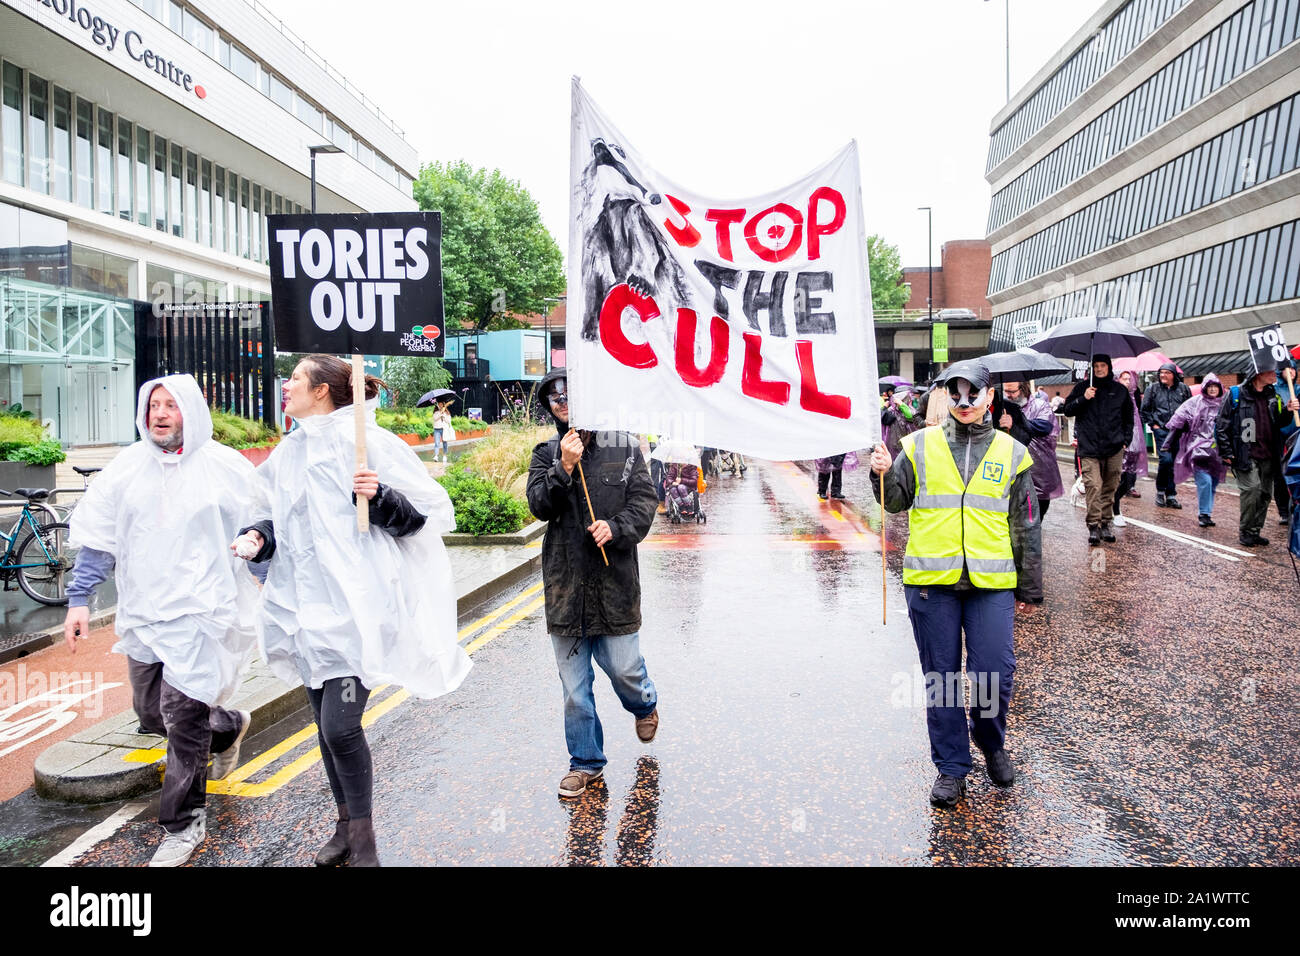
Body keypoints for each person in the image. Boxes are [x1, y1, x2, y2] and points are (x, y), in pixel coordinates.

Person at [232, 354, 471, 866]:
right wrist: (258, 537)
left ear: (321, 391)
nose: (287, 385)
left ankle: (363, 839)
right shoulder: (288, 452)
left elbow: (426, 516)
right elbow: (277, 520)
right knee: (324, 727)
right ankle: (343, 825)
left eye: (295, 377)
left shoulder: (369, 442)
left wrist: (381, 496)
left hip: (357, 611)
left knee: (341, 726)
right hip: (303, 612)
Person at [64, 375, 259, 867]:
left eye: (171, 405)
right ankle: (229, 726)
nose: (160, 413)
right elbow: (99, 537)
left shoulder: (225, 468)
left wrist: (267, 570)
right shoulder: (126, 469)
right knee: (152, 714)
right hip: (145, 612)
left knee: (182, 718)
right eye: (153, 404)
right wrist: (79, 599)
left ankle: (182, 823)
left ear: (190, 411)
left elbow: (262, 526)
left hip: (203, 614)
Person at [870, 359, 1041, 808]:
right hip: (931, 583)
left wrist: (1030, 586)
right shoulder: (918, 444)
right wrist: (882, 471)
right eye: (955, 394)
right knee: (941, 681)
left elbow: (1026, 523)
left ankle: (990, 741)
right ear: (946, 396)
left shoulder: (1012, 451)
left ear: (988, 397)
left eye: (973, 394)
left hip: (991, 583)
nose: (964, 403)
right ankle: (950, 767)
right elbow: (895, 502)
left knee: (995, 675)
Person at [526, 369, 660, 799]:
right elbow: (539, 506)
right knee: (574, 689)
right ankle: (586, 763)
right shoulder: (545, 453)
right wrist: (564, 466)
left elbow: (645, 501)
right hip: (565, 589)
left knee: (624, 670)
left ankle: (644, 704)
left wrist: (617, 528)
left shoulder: (623, 445)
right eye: (554, 397)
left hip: (615, 584)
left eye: (569, 392)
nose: (562, 401)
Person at [1216, 361, 1300, 546]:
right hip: (1245, 453)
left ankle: (1255, 531)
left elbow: (1279, 422)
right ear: (1258, 373)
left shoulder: (1273, 395)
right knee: (1252, 490)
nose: (1275, 373)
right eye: (1270, 370)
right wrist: (1226, 452)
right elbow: (1222, 425)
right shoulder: (1236, 394)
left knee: (1264, 494)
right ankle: (1245, 530)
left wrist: (1288, 410)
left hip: (1269, 453)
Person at [1061, 354, 1133, 545]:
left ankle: (1106, 522)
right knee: (1093, 485)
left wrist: (1126, 440)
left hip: (1114, 447)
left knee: (1110, 486)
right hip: (1089, 447)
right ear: (1091, 369)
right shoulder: (1082, 388)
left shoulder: (1120, 391)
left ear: (1109, 367)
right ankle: (1094, 525)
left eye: (1103, 366)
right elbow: (1067, 409)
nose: (1099, 369)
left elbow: (1128, 418)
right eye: (1096, 366)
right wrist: (1083, 399)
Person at [1162, 374, 1228, 528]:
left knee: (1213, 482)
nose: (1212, 389)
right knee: (1204, 481)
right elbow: (1178, 421)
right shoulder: (1195, 403)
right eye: (1209, 386)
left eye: (1215, 386)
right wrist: (1167, 444)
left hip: (1217, 451)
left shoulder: (1225, 404)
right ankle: (1203, 513)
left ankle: (1207, 513)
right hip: (1198, 449)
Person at [997, 380, 1063, 520]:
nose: (1008, 395)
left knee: (1040, 504)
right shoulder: (1002, 407)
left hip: (1039, 463)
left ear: (1023, 389)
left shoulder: (1040, 405)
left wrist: (1017, 421)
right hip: (1012, 464)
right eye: (1006, 391)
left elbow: (1045, 426)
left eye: (1012, 392)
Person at [1140, 362, 1191, 509]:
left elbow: (1189, 408)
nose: (1163, 375)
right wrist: (1154, 425)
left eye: (1166, 372)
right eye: (1161, 372)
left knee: (1174, 463)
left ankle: (1171, 495)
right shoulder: (1153, 389)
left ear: (1173, 375)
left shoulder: (1183, 389)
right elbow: (1145, 410)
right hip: (1161, 430)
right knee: (1166, 460)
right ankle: (1161, 491)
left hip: (1178, 431)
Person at [1111, 370, 1149, 527]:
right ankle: (1116, 510)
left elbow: (1137, 420)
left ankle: (1112, 502)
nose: (1127, 382)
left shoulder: (1133, 397)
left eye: (1129, 379)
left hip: (1134, 443)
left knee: (1128, 481)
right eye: (1124, 379)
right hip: (1119, 444)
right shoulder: (1114, 397)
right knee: (1116, 480)